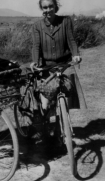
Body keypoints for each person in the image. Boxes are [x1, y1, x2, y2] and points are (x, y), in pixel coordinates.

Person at [30, 0, 87, 137]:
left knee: (67, 94)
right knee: (46, 102)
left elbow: (71, 40)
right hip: (46, 66)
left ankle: (61, 127)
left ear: (56, 6)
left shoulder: (66, 21)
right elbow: (36, 46)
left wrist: (76, 55)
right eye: (45, 7)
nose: (48, 9)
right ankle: (44, 126)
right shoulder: (37, 26)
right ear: (41, 8)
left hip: (64, 64)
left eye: (51, 6)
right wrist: (35, 61)